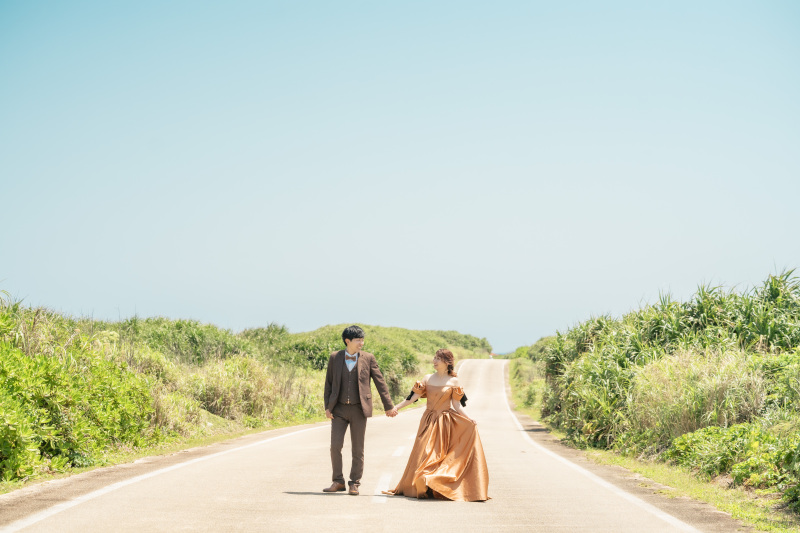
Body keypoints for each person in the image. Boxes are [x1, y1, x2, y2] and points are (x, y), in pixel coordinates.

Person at [384, 349, 489, 501]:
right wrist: (395, 408)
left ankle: (432, 483)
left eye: (438, 358)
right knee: (423, 452)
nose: (434, 361)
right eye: (434, 357)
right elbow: (412, 399)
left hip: (444, 422)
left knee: (438, 455)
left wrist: (469, 419)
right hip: (428, 420)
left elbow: (457, 405)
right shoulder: (427, 378)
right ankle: (422, 483)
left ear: (447, 362)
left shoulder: (454, 381)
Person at [323, 325, 398, 496]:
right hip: (339, 410)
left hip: (359, 409)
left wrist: (388, 406)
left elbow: (380, 383)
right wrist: (327, 407)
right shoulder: (335, 357)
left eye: (363, 340)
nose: (361, 343)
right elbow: (328, 384)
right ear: (347, 341)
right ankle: (338, 481)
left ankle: (354, 483)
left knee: (358, 449)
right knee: (335, 446)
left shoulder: (368, 358)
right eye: (358, 340)